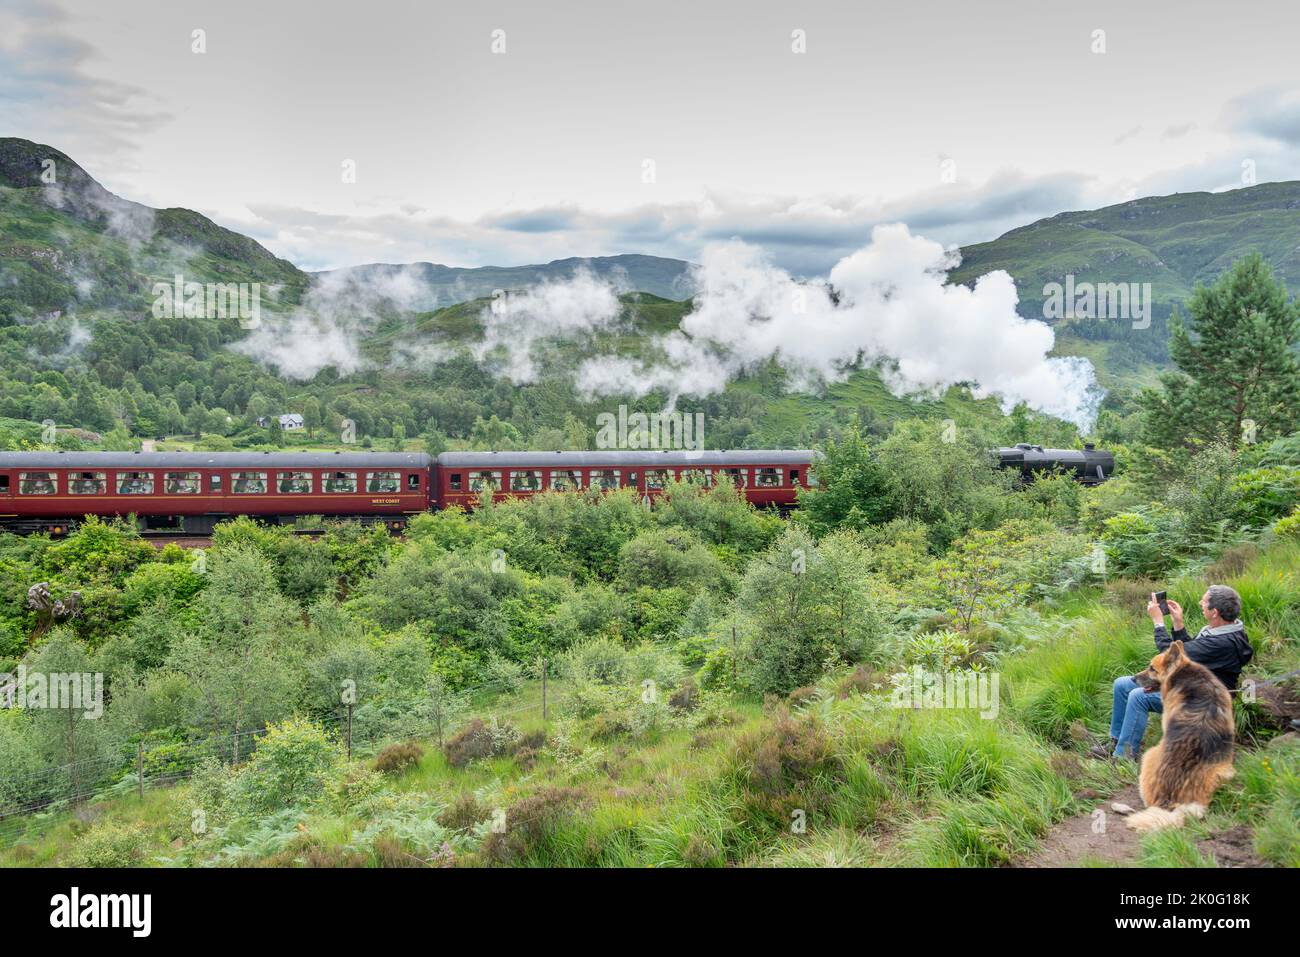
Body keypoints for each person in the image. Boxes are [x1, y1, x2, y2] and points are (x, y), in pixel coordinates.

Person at [1091, 585, 1254, 760]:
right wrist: (1178, 624)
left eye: (1204, 601)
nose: (1200, 602)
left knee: (1139, 697)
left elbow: (1169, 656)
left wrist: (1158, 622)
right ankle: (1116, 741)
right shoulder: (1224, 630)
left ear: (1214, 612)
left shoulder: (1222, 642)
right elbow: (1188, 654)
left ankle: (1123, 757)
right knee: (1122, 685)